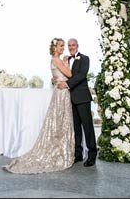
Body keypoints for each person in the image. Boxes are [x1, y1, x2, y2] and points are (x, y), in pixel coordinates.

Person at [3, 38, 75, 174]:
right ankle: (61, 150)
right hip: (62, 93)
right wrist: (66, 62)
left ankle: (61, 146)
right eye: (61, 46)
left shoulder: (52, 60)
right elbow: (69, 74)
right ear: (55, 48)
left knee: (58, 120)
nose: (63, 48)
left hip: (58, 91)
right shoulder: (57, 60)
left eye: (63, 46)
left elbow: (56, 76)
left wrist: (55, 78)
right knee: (61, 120)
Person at [55, 38, 98, 167]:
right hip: (70, 98)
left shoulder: (85, 58)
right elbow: (64, 73)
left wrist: (67, 84)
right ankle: (78, 155)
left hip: (83, 98)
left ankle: (92, 155)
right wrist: (56, 78)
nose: (71, 47)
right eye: (69, 45)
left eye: (73, 45)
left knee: (88, 127)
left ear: (77, 46)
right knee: (76, 128)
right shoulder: (67, 59)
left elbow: (81, 76)